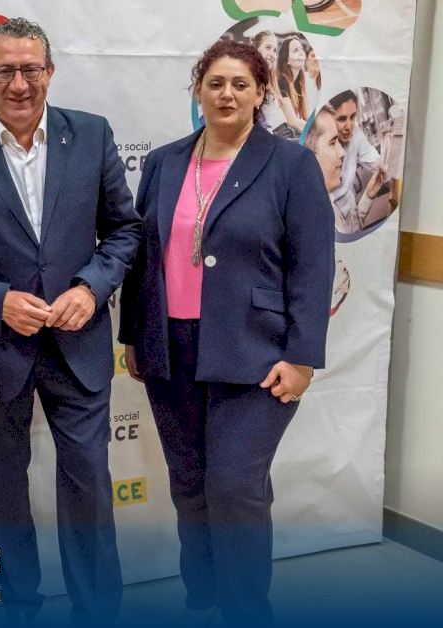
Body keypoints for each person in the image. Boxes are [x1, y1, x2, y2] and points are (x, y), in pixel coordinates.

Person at [0, 17, 141, 625]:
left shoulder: (93, 135)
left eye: (30, 69)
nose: (18, 84)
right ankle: (18, 608)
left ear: (50, 72)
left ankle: (97, 612)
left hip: (80, 343)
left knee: (88, 484)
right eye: (4, 71)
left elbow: (124, 230)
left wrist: (91, 288)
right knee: (3, 489)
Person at [119, 39, 334, 625]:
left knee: (236, 485)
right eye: (215, 83)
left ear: (261, 92)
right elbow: (143, 258)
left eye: (241, 84)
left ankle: (245, 609)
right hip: (171, 348)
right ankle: (204, 593)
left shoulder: (290, 165)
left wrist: (302, 357)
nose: (227, 94)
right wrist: (134, 335)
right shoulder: (163, 163)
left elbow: (313, 265)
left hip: (256, 351)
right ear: (198, 90)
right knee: (189, 482)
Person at [276, 36, 310, 134]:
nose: (301, 53)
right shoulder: (281, 81)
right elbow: (292, 122)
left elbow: (304, 118)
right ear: (287, 60)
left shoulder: (299, 82)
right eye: (295, 50)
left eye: (301, 49)